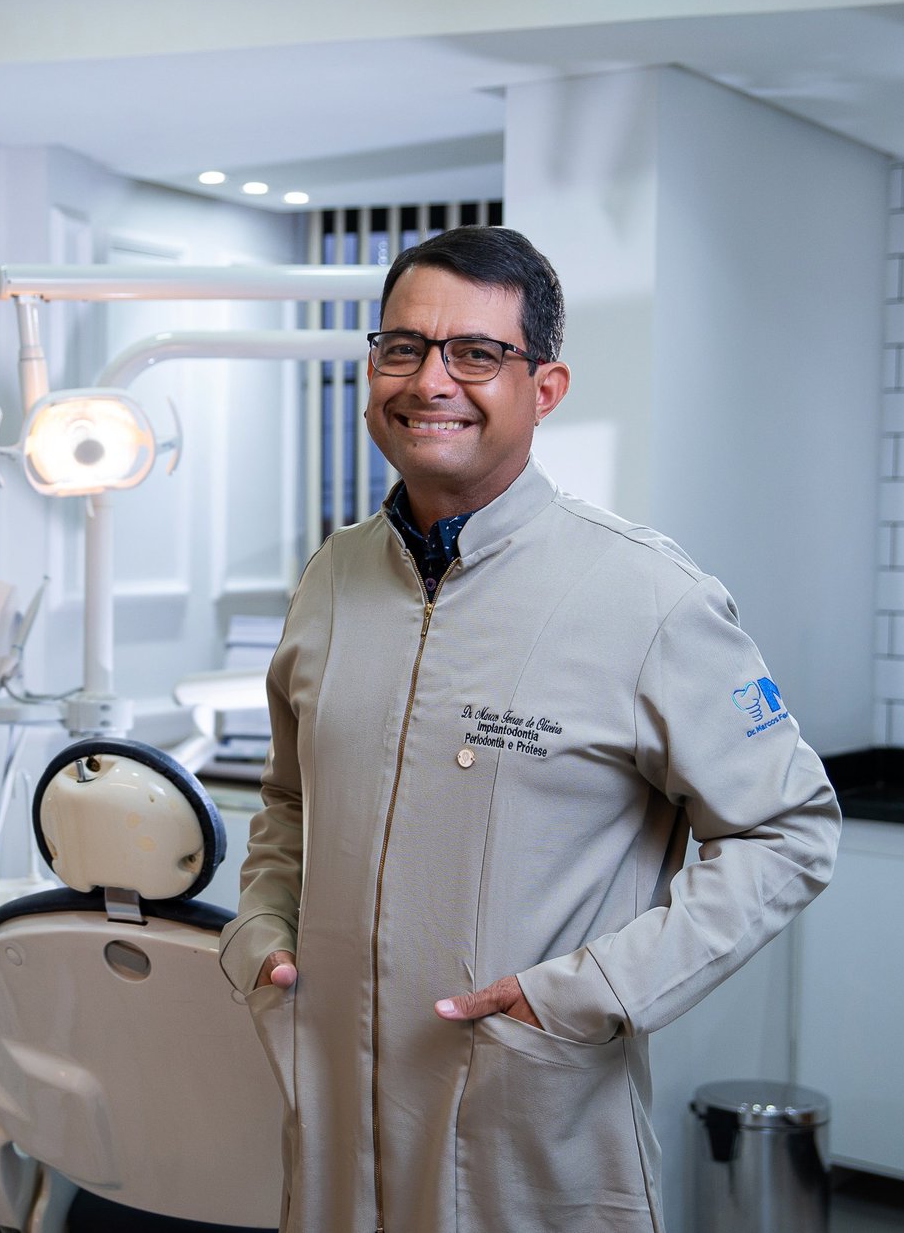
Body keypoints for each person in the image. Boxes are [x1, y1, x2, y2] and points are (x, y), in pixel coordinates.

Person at [218, 225, 841, 1233]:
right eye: (403, 348)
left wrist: (593, 989)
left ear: (544, 389)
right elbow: (290, 799)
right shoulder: (330, 576)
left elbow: (789, 829)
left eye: (476, 352)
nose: (432, 381)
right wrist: (259, 925)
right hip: (332, 1135)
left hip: (529, 1132)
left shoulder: (647, 596)